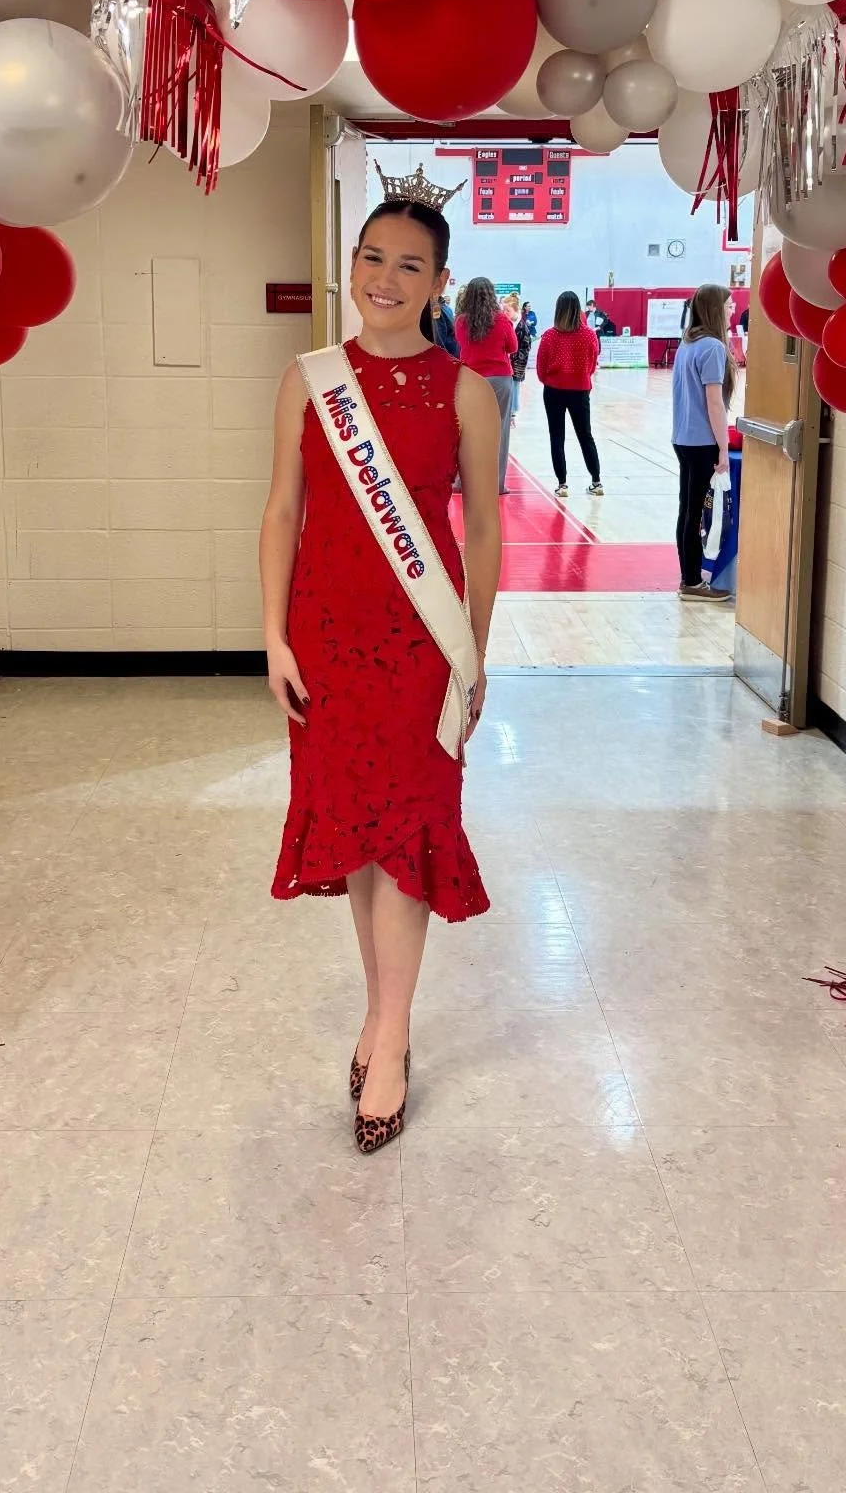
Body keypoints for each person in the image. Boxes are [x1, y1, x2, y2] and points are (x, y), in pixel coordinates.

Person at [260, 191, 502, 1155]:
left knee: (406, 836)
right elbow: (283, 509)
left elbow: (481, 527)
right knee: (359, 834)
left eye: (410, 265)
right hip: (324, 636)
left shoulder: (466, 392)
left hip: (420, 645)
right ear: (349, 270)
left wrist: (473, 652)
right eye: (372, 258)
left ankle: (393, 1033)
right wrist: (272, 636)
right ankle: (380, 1009)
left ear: (439, 284)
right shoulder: (309, 380)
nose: (385, 279)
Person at [671, 282, 736, 601]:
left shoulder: (687, 343)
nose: (733, 309)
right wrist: (723, 448)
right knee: (694, 511)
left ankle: (689, 577)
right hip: (700, 442)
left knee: (687, 508)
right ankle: (693, 582)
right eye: (728, 304)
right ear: (714, 309)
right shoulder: (712, 347)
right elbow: (714, 403)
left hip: (683, 438)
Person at [536, 291, 603, 498]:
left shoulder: (549, 335)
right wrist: (581, 377)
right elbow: (592, 363)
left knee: (557, 437)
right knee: (585, 435)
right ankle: (596, 481)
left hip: (554, 389)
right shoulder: (589, 335)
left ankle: (562, 484)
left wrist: (550, 380)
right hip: (580, 390)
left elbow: (540, 367)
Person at [455, 277, 517, 493]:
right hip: (500, 379)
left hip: (471, 378)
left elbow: (460, 344)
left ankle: (462, 482)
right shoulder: (501, 320)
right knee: (499, 432)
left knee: (467, 432)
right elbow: (513, 347)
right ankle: (496, 484)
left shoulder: (461, 321)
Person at [509, 314, 531, 417]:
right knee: (510, 386)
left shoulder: (522, 326)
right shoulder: (508, 324)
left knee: (515, 385)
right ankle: (511, 409)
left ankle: (513, 410)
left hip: (517, 362)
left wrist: (514, 356)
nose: (505, 312)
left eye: (508, 310)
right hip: (509, 361)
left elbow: (526, 346)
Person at [431, 292, 459, 358]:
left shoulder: (436, 309)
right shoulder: (447, 308)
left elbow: (439, 335)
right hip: (453, 348)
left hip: (446, 351)